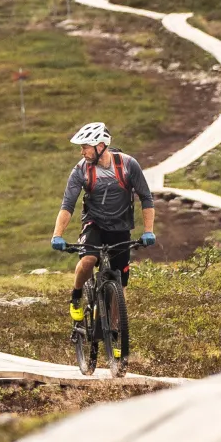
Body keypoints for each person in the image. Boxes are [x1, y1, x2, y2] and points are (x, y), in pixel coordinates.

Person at [49, 122, 156, 324]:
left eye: (85, 147)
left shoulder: (128, 165)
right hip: (94, 224)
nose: (82, 152)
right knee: (89, 259)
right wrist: (57, 235)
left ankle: (115, 333)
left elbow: (146, 198)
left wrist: (148, 231)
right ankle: (76, 296)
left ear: (100, 146)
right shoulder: (80, 170)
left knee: (120, 287)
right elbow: (67, 205)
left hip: (121, 227)